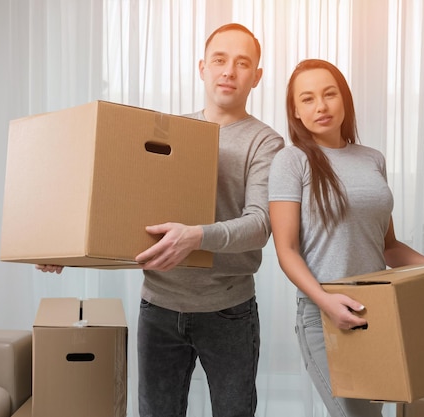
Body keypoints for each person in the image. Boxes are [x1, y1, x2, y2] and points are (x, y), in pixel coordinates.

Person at [38, 23, 284, 417]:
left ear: (256, 76)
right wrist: (67, 251)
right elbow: (121, 210)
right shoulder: (167, 131)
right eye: (220, 60)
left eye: (242, 63)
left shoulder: (265, 142)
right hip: (159, 308)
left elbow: (259, 226)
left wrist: (197, 237)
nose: (229, 71)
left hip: (228, 311)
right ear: (202, 67)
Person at [268, 59, 424, 417]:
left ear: (344, 99)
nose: (321, 106)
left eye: (329, 94)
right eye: (308, 99)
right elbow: (286, 250)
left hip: (376, 311)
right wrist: (327, 303)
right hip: (323, 316)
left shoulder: (372, 159)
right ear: (295, 111)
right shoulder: (291, 161)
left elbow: (389, 247)